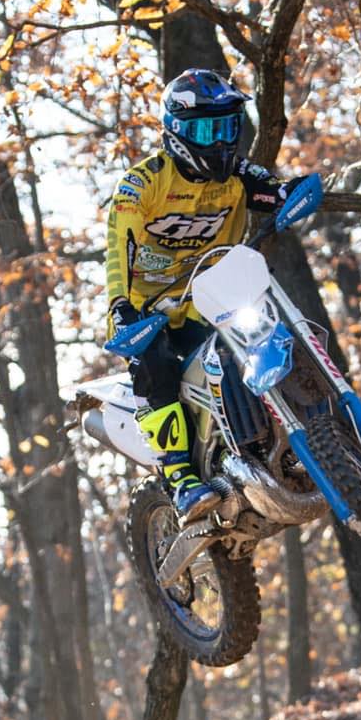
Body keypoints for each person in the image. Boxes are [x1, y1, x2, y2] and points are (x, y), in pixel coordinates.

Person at [104, 69, 295, 520]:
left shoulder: (237, 176)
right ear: (176, 132)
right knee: (155, 367)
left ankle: (286, 437)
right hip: (147, 310)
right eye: (206, 130)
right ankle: (179, 476)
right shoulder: (143, 182)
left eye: (228, 127)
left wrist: (294, 194)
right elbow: (119, 249)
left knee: (267, 328)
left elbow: (274, 191)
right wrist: (120, 306)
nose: (219, 140)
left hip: (210, 299)